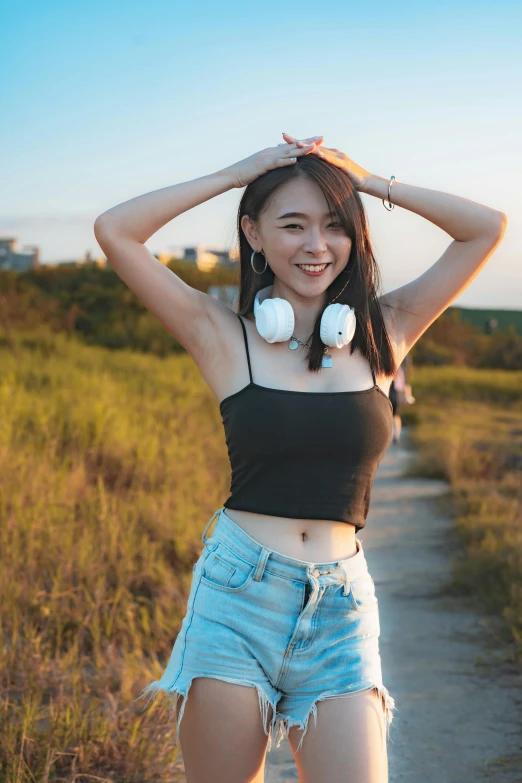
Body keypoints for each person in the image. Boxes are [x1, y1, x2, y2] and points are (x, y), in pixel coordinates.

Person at [94, 133, 507, 783]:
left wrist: (369, 182)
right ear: (254, 234)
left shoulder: (384, 329)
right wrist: (235, 174)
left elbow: (486, 229)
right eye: (293, 225)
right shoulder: (223, 336)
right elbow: (116, 231)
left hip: (341, 605)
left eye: (335, 225)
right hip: (238, 598)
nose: (317, 245)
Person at [389, 353, 414, 444]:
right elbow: (406, 382)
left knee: (392, 415)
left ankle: (394, 435)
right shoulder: (402, 369)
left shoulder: (396, 369)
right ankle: (396, 435)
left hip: (392, 393)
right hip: (396, 393)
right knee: (395, 415)